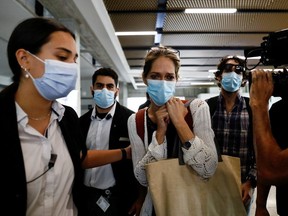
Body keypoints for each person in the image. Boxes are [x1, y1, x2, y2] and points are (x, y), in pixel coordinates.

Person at [1, 17, 91, 216]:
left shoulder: (68, 118)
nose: (72, 67)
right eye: (62, 57)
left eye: (74, 59)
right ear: (24, 59)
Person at [127, 45, 218, 215]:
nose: (163, 82)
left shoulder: (197, 108)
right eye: (155, 76)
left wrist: (180, 123)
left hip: (192, 206)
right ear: (145, 78)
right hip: (156, 207)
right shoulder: (136, 120)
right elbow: (142, 177)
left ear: (176, 79)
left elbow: (209, 168)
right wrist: (160, 134)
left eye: (169, 77)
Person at [79, 67, 144, 216]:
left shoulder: (131, 120)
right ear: (92, 89)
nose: (104, 90)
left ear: (116, 91)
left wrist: (140, 197)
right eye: (99, 86)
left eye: (109, 86)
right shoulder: (81, 122)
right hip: (86, 196)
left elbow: (141, 162)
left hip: (118, 198)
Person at [206, 55, 257, 215]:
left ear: (243, 80)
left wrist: (250, 182)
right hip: (210, 184)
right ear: (219, 76)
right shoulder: (207, 107)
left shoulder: (253, 108)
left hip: (242, 184)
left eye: (239, 71)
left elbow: (259, 150)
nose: (233, 74)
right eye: (228, 69)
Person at [249, 69, 288, 215]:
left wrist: (259, 104)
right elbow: (264, 157)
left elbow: (273, 169)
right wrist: (260, 205)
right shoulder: (280, 109)